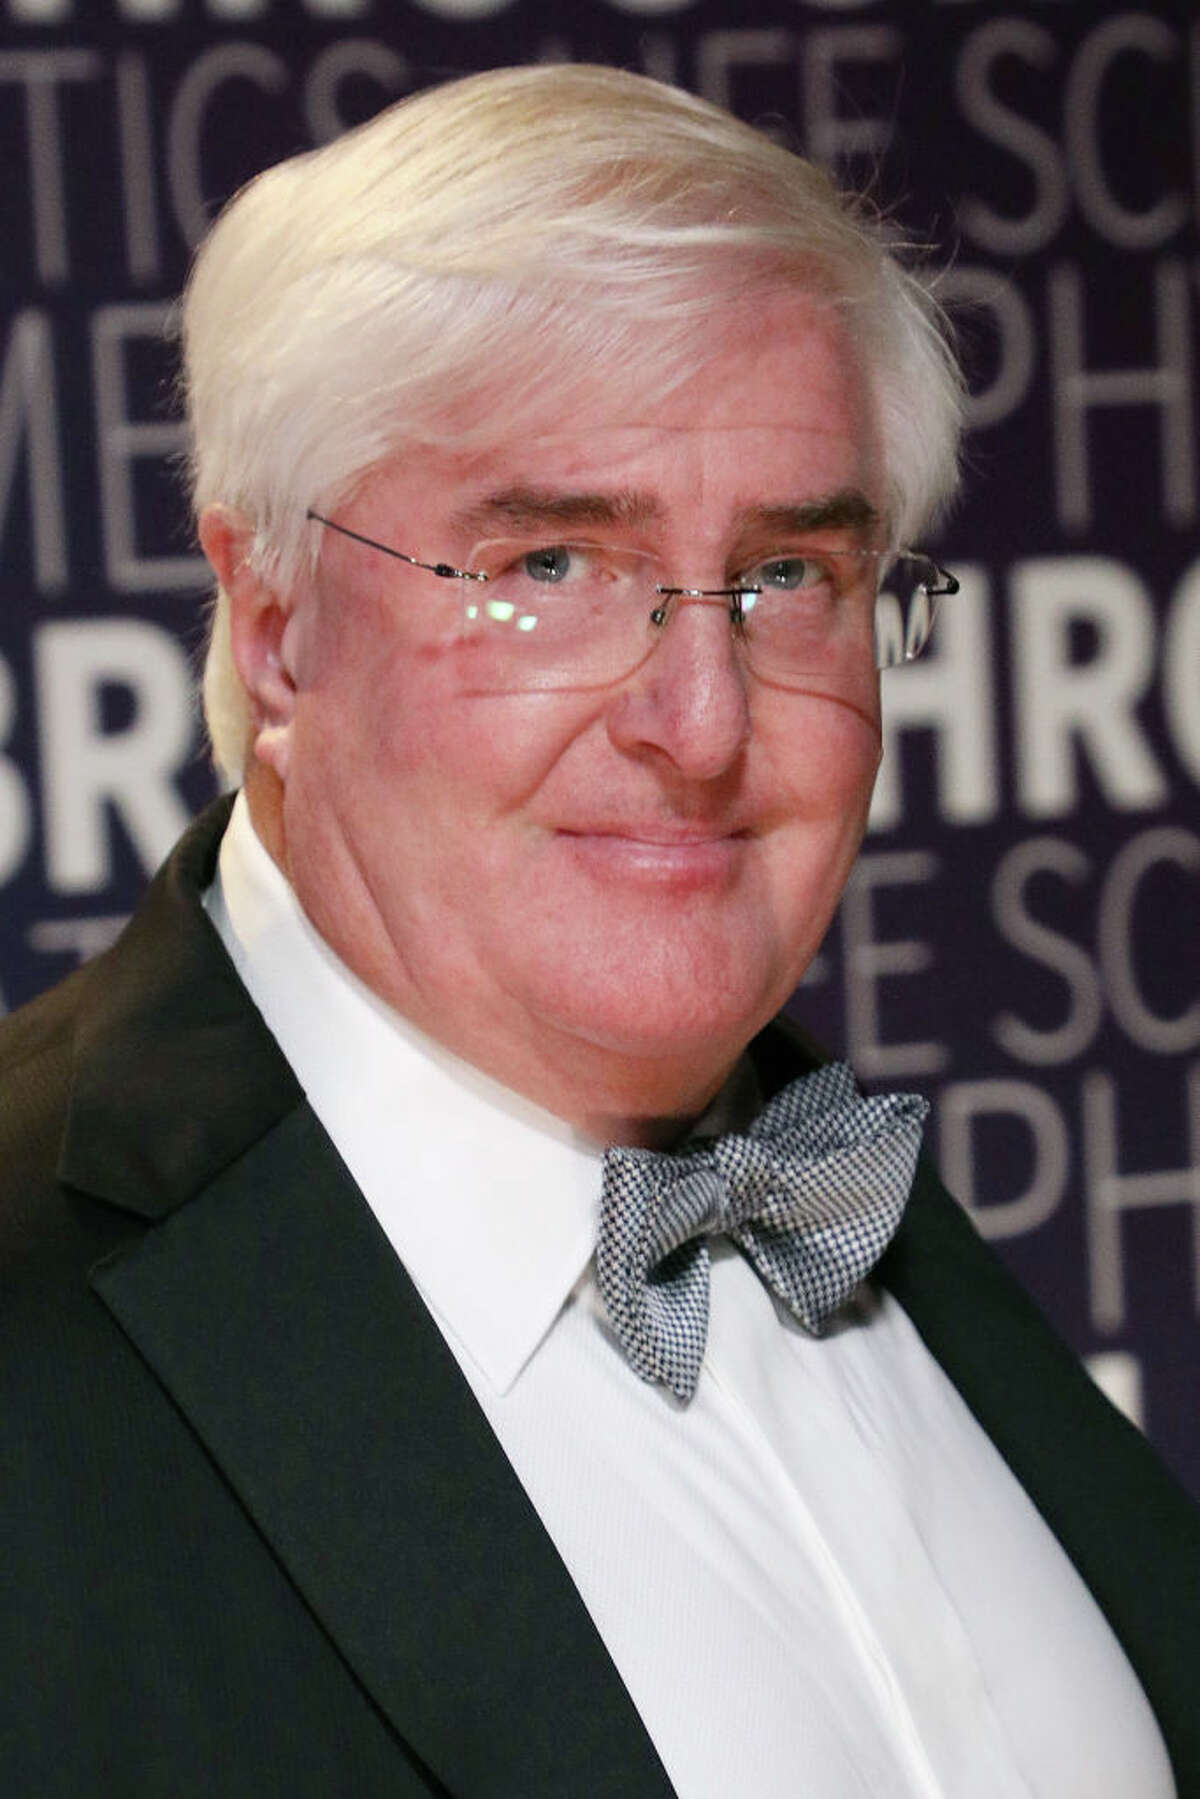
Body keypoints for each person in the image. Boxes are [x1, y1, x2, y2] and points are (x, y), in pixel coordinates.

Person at [1, 63, 1196, 1799]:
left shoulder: (852, 1193)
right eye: (551, 566)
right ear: (275, 626)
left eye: (790, 576)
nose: (701, 723)